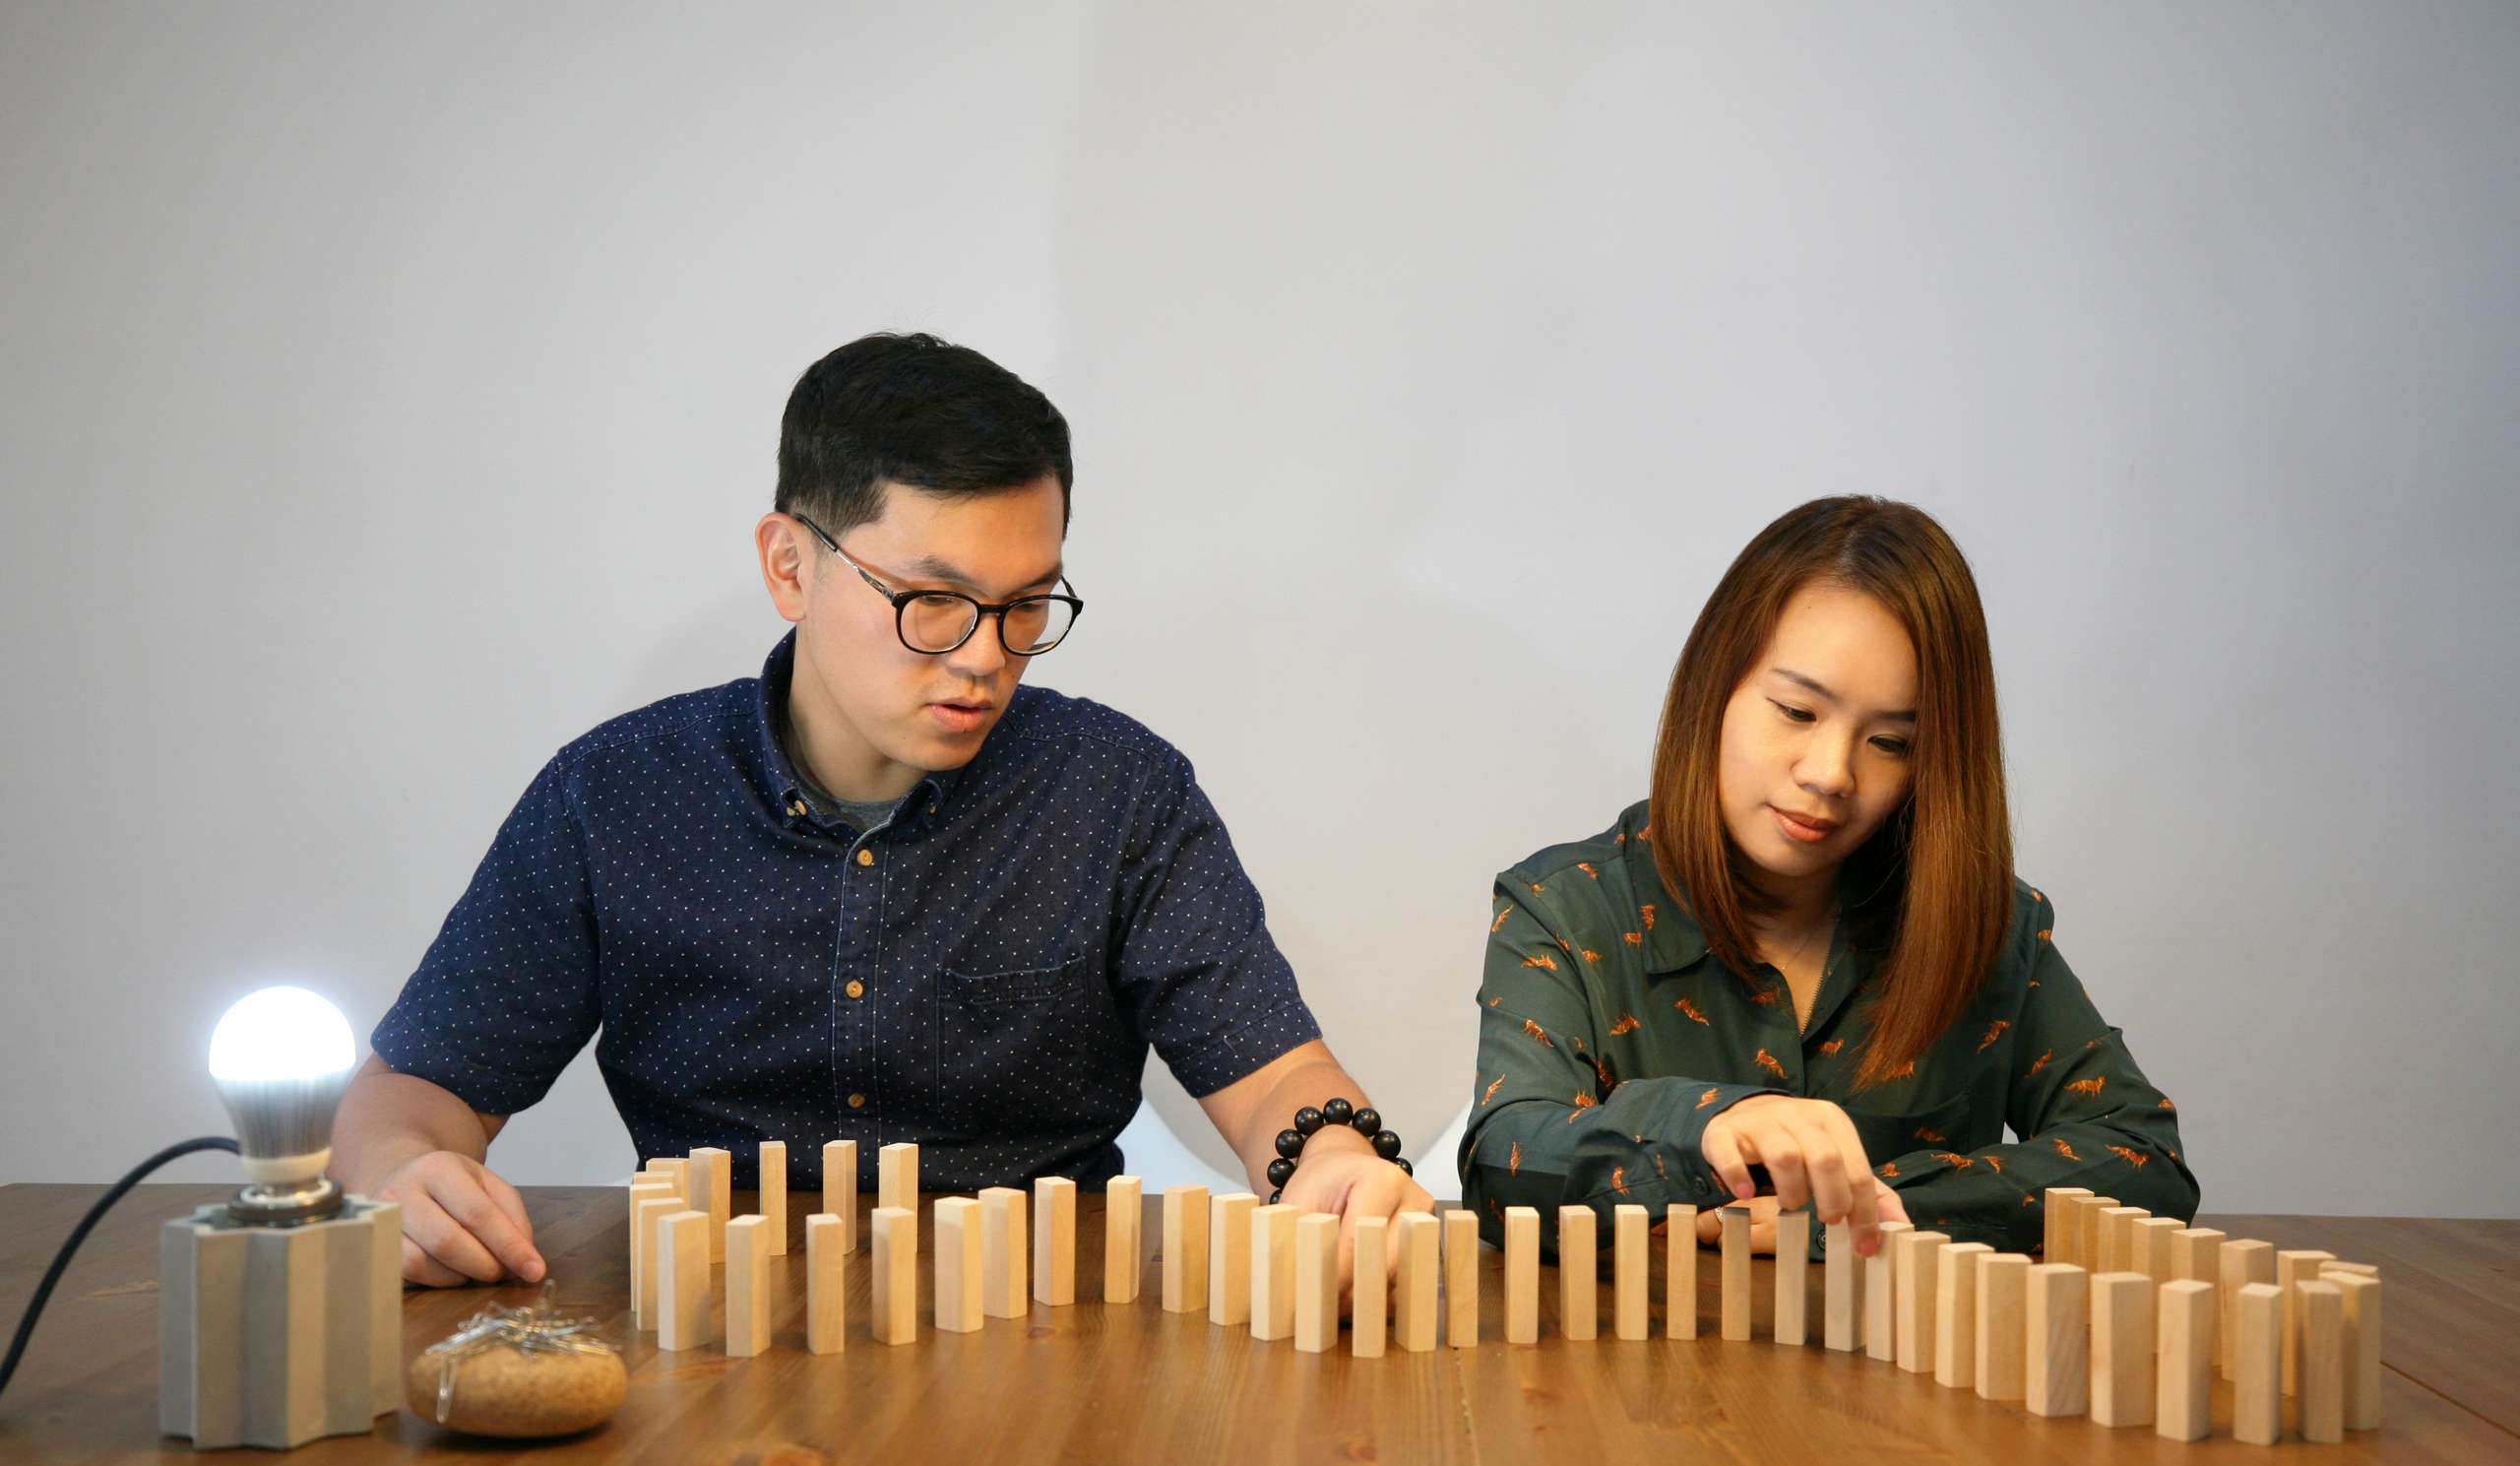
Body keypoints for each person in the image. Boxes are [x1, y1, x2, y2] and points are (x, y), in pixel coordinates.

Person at [337, 332, 1431, 1289]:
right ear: (788, 565)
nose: (984, 659)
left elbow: (1277, 1073)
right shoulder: (616, 794)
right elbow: (419, 1087)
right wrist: (401, 1174)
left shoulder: (1115, 790)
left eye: (1026, 607)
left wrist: (1332, 1150)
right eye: (933, 602)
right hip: (712, 1332)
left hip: (1042, 1335)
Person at [1460, 496, 2197, 1262]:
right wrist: (1708, 1127)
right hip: (1643, 1374)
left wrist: (1855, 1212)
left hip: (1906, 1375)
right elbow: (1504, 1159)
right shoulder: (1568, 908)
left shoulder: (1985, 929)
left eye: (1889, 741)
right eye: (1796, 711)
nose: (1830, 774)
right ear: (1714, 691)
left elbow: (2143, 1158)